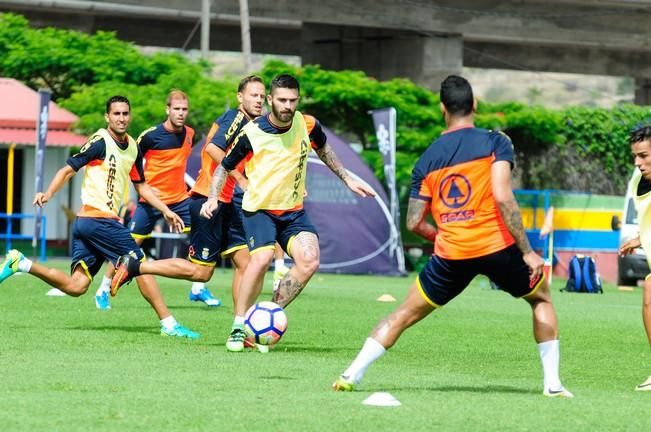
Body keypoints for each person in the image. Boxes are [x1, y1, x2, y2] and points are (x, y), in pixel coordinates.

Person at [332, 75, 572, 397]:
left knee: (403, 314)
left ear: (442, 108)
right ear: (475, 105)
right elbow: (503, 197)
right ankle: (552, 385)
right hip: (498, 246)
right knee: (540, 298)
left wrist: (446, 234)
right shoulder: (496, 141)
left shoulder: (427, 159)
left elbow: (415, 222)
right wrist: (527, 250)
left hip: (451, 254)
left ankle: (351, 373)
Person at [199, 73, 376, 352]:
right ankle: (237, 326)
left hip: (292, 211)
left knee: (310, 260)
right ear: (270, 100)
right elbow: (224, 165)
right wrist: (212, 198)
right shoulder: (252, 132)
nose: (287, 106)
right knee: (261, 259)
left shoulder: (307, 123)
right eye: (281, 100)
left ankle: (266, 314)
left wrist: (347, 179)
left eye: (293, 100)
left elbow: (324, 148)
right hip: (259, 209)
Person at [0, 95, 199, 339]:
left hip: (88, 224)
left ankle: (20, 263)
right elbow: (67, 170)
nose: (121, 118)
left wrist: (166, 210)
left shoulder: (134, 148)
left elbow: (142, 186)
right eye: (116, 114)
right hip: (98, 219)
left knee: (77, 286)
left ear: (130, 116)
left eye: (125, 113)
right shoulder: (99, 141)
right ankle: (169, 324)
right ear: (107, 117)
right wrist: (48, 193)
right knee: (139, 264)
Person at [109, 76, 268, 332]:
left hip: (225, 204)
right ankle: (136, 265)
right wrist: (239, 178)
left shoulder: (251, 124)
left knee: (247, 263)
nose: (259, 100)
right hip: (208, 200)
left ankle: (241, 327)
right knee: (201, 273)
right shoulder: (235, 118)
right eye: (253, 95)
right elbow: (213, 149)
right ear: (240, 97)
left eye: (262, 96)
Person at [93, 90, 219, 310]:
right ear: (167, 110)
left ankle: (198, 289)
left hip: (180, 200)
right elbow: (132, 163)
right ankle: (103, 288)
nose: (181, 113)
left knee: (201, 236)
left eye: (184, 109)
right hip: (150, 202)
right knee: (128, 247)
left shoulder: (190, 134)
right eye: (176, 109)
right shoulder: (149, 136)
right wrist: (140, 193)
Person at [617, 125, 651, 392]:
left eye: (644, 156)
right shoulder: (637, 182)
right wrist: (639, 238)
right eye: (635, 157)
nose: (638, 163)